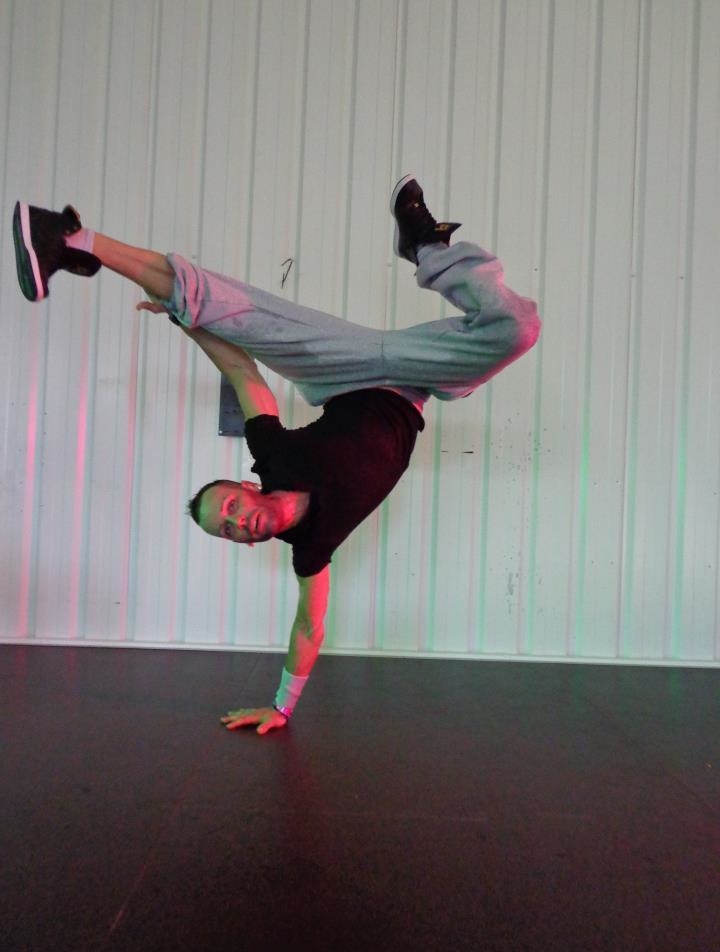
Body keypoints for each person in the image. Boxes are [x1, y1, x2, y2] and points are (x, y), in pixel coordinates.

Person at [13, 176, 541, 733]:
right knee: (514, 331)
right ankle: (423, 249)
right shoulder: (311, 547)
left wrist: (184, 319)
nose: (237, 523)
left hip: (347, 370)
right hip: (416, 385)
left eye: (230, 509)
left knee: (226, 309)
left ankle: (69, 239)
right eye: (228, 531)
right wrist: (282, 707)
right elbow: (309, 627)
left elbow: (240, 369)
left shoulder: (273, 458)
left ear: (246, 489)